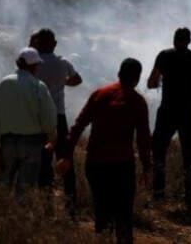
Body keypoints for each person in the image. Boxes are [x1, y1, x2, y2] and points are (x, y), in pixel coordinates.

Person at [57, 58, 151, 244]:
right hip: (123, 167)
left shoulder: (100, 94)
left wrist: (67, 156)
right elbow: (143, 139)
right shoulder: (138, 102)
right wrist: (147, 167)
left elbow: (77, 127)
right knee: (124, 215)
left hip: (96, 164)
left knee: (102, 213)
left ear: (118, 73)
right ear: (138, 79)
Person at [148, 27, 191, 209]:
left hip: (167, 110)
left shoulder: (164, 56)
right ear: (189, 41)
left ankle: (158, 194)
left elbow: (151, 82)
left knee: (159, 152)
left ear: (174, 39)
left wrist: (168, 83)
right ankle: (189, 199)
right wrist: (189, 87)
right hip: (189, 112)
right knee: (189, 156)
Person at [0, 47, 57, 200]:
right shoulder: (38, 86)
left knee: (4, 184)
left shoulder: (0, 85)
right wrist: (52, 137)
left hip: (7, 143)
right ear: (33, 66)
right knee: (25, 189)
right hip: (32, 144)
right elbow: (48, 118)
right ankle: (20, 219)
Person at [34, 29, 83, 214]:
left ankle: (47, 207)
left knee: (43, 161)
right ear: (55, 44)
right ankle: (71, 207)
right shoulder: (63, 62)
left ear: (37, 44)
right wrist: (63, 82)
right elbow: (77, 79)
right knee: (64, 158)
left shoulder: (33, 64)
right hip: (58, 116)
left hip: (38, 117)